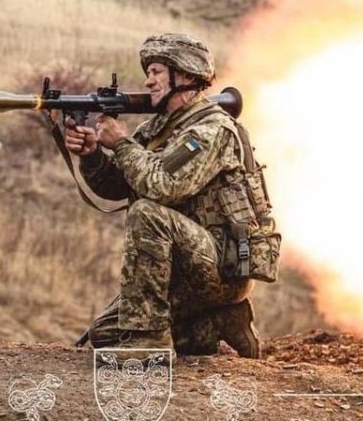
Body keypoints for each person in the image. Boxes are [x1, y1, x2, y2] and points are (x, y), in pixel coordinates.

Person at [64, 33, 274, 358]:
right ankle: (216, 323)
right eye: (148, 72)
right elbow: (115, 187)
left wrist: (120, 143)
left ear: (186, 75)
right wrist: (91, 154)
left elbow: (163, 185)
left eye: (157, 72)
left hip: (220, 266)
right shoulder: (155, 129)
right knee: (105, 333)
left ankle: (149, 346)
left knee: (147, 213)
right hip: (181, 272)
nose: (148, 81)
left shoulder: (210, 131)